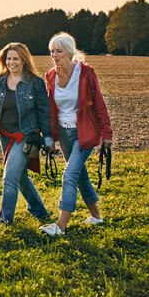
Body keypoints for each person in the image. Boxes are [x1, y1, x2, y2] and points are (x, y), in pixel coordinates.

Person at [41, 32, 113, 236]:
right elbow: (50, 107)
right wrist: (47, 134)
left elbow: (99, 104)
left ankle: (60, 227)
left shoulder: (86, 73)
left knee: (70, 174)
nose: (54, 55)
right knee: (80, 175)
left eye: (59, 51)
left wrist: (107, 133)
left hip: (84, 132)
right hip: (64, 133)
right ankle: (97, 217)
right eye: (51, 51)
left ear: (69, 52)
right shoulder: (51, 75)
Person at [0, 42, 54, 226]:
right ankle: (39, 211)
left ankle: (5, 221)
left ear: (24, 60)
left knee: (9, 177)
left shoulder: (35, 83)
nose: (12, 62)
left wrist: (47, 137)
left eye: (16, 58)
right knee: (20, 177)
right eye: (9, 58)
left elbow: (44, 112)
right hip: (4, 136)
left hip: (26, 137)